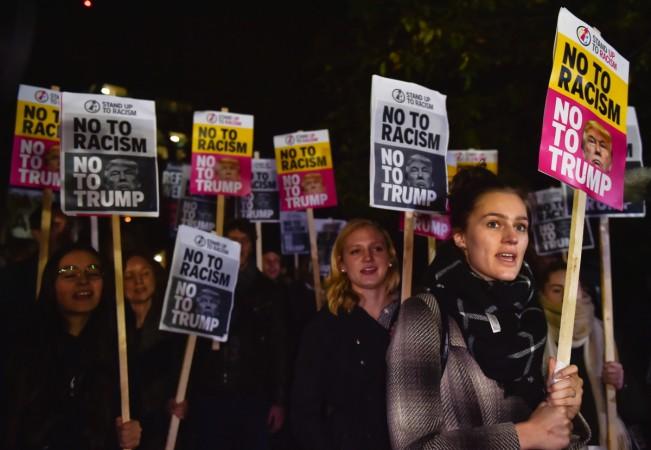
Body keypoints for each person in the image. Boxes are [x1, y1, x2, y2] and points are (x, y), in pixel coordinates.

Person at [387, 167, 589, 449]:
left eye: (520, 226)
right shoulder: (424, 314)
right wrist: (526, 434)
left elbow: (554, 434)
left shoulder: (531, 315)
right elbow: (413, 445)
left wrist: (564, 411)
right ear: (461, 238)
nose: (511, 237)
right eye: (494, 224)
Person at [4, 243, 141, 449]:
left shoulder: (119, 350)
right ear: (52, 283)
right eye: (69, 273)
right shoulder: (21, 347)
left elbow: (133, 409)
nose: (83, 281)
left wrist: (132, 432)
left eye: (93, 272)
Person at [291, 219, 401, 450]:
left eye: (376, 248)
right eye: (355, 251)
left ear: (390, 257)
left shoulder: (416, 315)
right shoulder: (324, 327)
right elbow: (305, 410)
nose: (368, 257)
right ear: (341, 264)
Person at [189, 219, 288, 450]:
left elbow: (280, 347)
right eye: (232, 240)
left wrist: (279, 400)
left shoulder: (269, 291)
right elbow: (189, 342)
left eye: (244, 241)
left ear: (252, 245)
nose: (239, 246)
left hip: (253, 395)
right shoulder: (205, 285)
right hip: (210, 393)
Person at [539, 260, 631, 449]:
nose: (566, 297)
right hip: (562, 441)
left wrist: (619, 383)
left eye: (572, 287)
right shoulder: (535, 336)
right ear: (543, 294)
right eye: (557, 290)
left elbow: (636, 406)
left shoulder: (603, 331)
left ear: (583, 291)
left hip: (607, 438)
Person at [123, 251, 186, 450]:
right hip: (124, 426)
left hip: (163, 426)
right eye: (129, 276)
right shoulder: (110, 326)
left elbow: (184, 370)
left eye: (145, 273)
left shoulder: (174, 324)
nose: (138, 281)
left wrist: (181, 401)